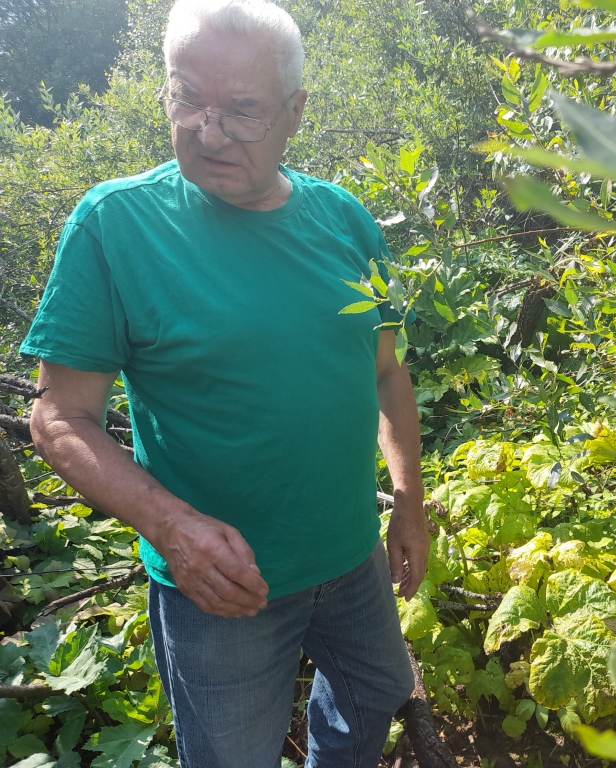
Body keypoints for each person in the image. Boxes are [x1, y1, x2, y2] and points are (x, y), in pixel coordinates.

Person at [21, 1, 428, 766]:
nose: (208, 133)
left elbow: (386, 369)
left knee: (377, 691)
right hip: (220, 588)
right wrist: (174, 529)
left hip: (351, 556)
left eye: (241, 110)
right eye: (187, 100)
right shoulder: (116, 225)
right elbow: (60, 416)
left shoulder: (344, 219)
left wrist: (407, 504)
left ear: (295, 111)